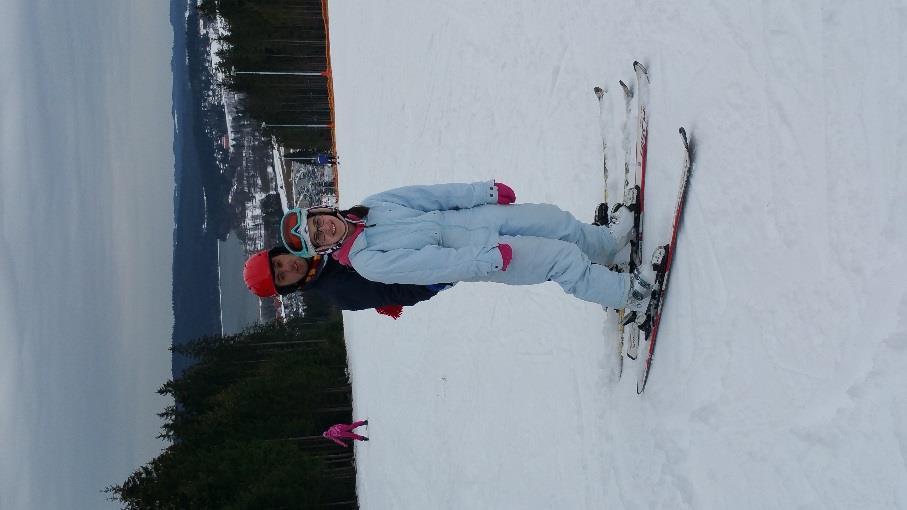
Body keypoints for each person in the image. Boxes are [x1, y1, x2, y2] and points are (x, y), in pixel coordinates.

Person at [278, 180, 655, 322]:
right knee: (561, 261)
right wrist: (486, 260)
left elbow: (430, 195)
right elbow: (435, 265)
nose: (325, 228)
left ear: (321, 210)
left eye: (318, 221)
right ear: (324, 249)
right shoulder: (368, 262)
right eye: (319, 237)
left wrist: (481, 192)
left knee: (558, 223)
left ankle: (608, 245)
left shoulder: (373, 205)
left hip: (482, 217)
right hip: (486, 254)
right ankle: (631, 294)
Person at [243, 247, 451, 319]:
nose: (288, 268)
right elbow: (397, 293)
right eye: (282, 277)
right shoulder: (339, 291)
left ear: (281, 252)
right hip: (436, 263)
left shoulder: (322, 244)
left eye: (279, 263)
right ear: (287, 287)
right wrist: (438, 277)